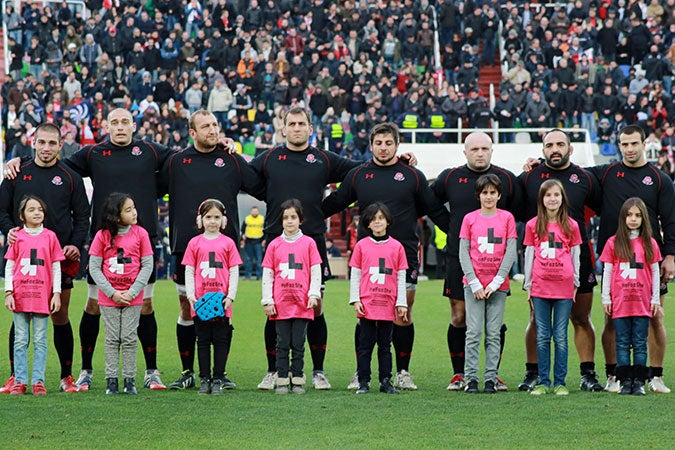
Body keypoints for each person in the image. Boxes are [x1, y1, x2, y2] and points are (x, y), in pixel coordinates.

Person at [4, 108, 172, 391]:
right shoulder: (93, 153)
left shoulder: (151, 151)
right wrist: (17, 160)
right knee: (92, 305)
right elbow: (53, 161)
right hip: (103, 241)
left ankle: (151, 371)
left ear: (134, 125)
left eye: (125, 122)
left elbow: (183, 160)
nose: (120, 127)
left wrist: (223, 145)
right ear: (106, 126)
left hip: (142, 238)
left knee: (144, 304)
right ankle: (84, 370)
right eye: (114, 123)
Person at [322, 122, 449, 391]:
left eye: (388, 143)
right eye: (378, 143)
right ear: (371, 146)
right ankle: (362, 372)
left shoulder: (412, 175)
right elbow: (334, 203)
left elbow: (435, 210)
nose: (383, 147)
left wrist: (460, 231)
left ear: (397, 145)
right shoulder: (358, 175)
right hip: (368, 256)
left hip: (403, 254)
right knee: (366, 314)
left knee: (403, 313)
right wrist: (303, 218)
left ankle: (402, 371)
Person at [250, 107, 361, 391]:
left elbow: (359, 172)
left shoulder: (322, 159)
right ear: (283, 129)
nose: (297, 128)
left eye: (302, 124)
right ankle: (273, 371)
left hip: (312, 241)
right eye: (292, 124)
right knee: (274, 307)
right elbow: (244, 176)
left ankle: (318, 371)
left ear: (311, 129)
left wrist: (329, 207)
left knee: (316, 305)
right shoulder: (270, 158)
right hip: (276, 241)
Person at [158, 110, 259, 391]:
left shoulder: (230, 160)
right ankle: (188, 370)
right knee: (188, 307)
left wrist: (237, 153)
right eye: (205, 126)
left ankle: (220, 373)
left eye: (215, 125)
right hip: (187, 247)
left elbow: (259, 183)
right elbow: (150, 187)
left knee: (224, 308)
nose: (212, 130)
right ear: (192, 132)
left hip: (223, 249)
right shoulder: (177, 162)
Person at [0, 123, 89, 395]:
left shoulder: (71, 176)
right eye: (42, 142)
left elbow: (82, 216)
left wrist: (75, 244)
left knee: (59, 314)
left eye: (52, 143)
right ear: (33, 142)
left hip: (57, 259)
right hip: (25, 258)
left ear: (61, 145)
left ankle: (66, 376)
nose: (46, 148)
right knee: (21, 315)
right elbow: (1, 211)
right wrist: (9, 231)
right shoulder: (17, 173)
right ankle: (16, 377)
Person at [585, 125, 675, 394]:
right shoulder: (608, 173)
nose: (629, 149)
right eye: (624, 144)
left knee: (655, 316)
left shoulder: (660, 180)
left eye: (634, 143)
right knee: (611, 318)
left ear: (644, 143)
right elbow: (571, 174)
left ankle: (655, 376)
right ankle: (615, 374)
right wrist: (539, 163)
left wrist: (670, 256)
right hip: (616, 261)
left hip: (648, 262)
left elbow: (671, 220)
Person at [430, 131, 522, 391]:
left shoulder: (506, 178)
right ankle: (460, 374)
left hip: (495, 263)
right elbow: (429, 201)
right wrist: (449, 227)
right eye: (474, 149)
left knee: (495, 321)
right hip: (460, 258)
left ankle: (494, 374)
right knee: (460, 317)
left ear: (492, 150)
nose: (480, 153)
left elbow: (523, 204)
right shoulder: (450, 176)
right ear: (465, 152)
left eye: (484, 149)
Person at [517, 129, 603, 392]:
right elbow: (511, 203)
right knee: (536, 320)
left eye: (560, 144)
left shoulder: (585, 178)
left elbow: (604, 208)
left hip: (578, 258)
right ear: (542, 150)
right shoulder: (530, 177)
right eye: (549, 145)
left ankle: (587, 374)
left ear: (570, 148)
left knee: (581, 317)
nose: (555, 149)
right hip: (542, 265)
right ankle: (533, 373)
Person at [88, 193, 154, 395]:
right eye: (128, 210)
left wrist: (133, 292)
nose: (134, 212)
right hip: (109, 298)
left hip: (133, 298)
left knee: (129, 337)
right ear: (116, 216)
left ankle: (129, 380)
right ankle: (111, 381)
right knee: (111, 338)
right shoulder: (102, 236)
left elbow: (147, 265)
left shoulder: (141, 233)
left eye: (134, 208)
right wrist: (112, 293)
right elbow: (94, 267)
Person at [459, 174, 517, 394]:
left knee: (493, 333)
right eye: (485, 192)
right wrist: (474, 282)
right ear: (478, 195)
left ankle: (490, 379)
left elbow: (510, 251)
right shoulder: (470, 219)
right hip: (473, 285)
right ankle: (471, 379)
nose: (489, 196)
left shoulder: (507, 218)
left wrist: (496, 281)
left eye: (493, 192)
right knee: (473, 333)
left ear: (499, 195)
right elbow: (463, 252)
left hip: (498, 286)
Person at [523, 180, 582, 396]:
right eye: (548, 195)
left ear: (562, 198)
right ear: (542, 199)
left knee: (561, 335)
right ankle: (543, 381)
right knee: (542, 335)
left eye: (556, 194)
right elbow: (529, 255)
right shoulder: (533, 225)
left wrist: (575, 282)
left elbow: (576, 255)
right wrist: (528, 285)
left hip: (564, 287)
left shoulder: (571, 225)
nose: (553, 199)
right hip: (540, 287)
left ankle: (560, 382)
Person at [601, 198, 662, 396]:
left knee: (640, 342)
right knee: (621, 342)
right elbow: (608, 272)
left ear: (644, 218)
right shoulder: (613, 242)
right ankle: (625, 381)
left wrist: (655, 299)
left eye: (637, 215)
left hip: (642, 302)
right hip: (620, 302)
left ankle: (639, 382)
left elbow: (654, 273)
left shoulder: (650, 243)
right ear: (623, 218)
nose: (633, 219)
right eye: (629, 215)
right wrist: (606, 298)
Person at [4, 196, 64, 395]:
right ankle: (20, 381)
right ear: (22, 215)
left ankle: (38, 381)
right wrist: (8, 293)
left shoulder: (50, 237)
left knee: (40, 340)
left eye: (40, 209)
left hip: (41, 297)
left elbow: (56, 267)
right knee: (20, 340)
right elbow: (10, 266)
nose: (36, 212)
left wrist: (56, 294)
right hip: (20, 296)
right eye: (31, 209)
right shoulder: (17, 237)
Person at [260, 199, 321, 394]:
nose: (289, 221)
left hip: (302, 303)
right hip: (281, 304)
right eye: (285, 217)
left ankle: (297, 379)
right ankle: (282, 380)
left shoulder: (309, 243)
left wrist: (313, 294)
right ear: (281, 220)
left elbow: (315, 271)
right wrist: (267, 300)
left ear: (300, 220)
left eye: (293, 217)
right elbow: (268, 275)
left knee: (298, 343)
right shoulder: (274, 245)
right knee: (282, 343)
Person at [183, 199, 242, 395]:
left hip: (222, 302)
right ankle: (204, 379)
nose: (212, 221)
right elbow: (190, 271)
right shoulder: (194, 243)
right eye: (208, 217)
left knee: (221, 340)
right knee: (202, 341)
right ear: (201, 220)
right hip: (200, 302)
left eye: (217, 217)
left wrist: (230, 296)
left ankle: (218, 378)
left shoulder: (228, 243)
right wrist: (191, 295)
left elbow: (234, 271)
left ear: (223, 220)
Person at [349, 203, 408, 395]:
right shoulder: (361, 246)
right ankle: (364, 381)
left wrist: (401, 303)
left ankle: (385, 380)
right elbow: (356, 275)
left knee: (385, 344)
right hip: (367, 303)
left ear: (388, 221)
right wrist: (355, 299)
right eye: (374, 219)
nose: (377, 222)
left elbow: (400, 276)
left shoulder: (397, 247)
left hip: (387, 303)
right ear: (368, 223)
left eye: (381, 218)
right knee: (365, 344)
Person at [241, 206, 264, 280]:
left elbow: (266, 230)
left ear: (258, 212)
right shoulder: (247, 219)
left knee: (259, 260)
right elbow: (242, 230)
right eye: (253, 211)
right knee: (248, 260)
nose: (254, 212)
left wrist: (264, 240)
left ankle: (259, 276)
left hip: (258, 241)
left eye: (256, 211)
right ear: (251, 212)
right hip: (249, 241)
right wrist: (242, 238)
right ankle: (248, 276)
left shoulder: (262, 219)